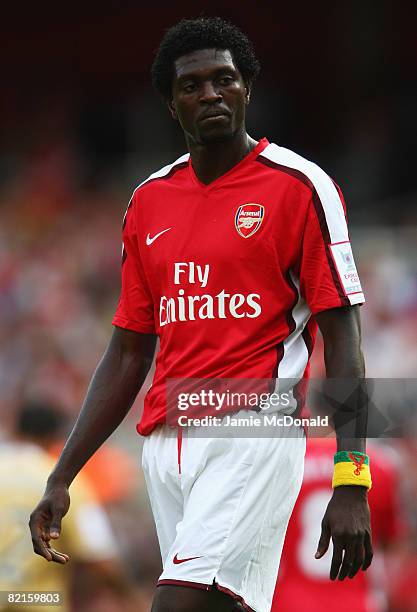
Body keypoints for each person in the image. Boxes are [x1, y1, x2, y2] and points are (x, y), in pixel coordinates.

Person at [29, 17, 373, 612]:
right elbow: (128, 350)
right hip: (166, 444)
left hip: (252, 429)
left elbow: (345, 340)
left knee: (178, 604)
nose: (211, 94)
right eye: (192, 86)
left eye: (225, 80)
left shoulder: (301, 187)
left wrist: (351, 476)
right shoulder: (147, 202)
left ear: (248, 89)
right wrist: (63, 474)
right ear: (170, 104)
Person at [271, 438, 406, 612]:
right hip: (355, 602)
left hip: (289, 601)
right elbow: (392, 544)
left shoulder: (284, 462)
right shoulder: (380, 466)